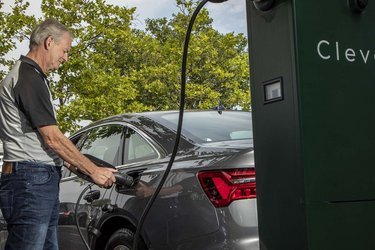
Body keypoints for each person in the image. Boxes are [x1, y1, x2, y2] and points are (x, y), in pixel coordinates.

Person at [0, 18, 117, 250]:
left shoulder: (33, 77)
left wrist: (77, 164)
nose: (66, 57)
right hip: (29, 180)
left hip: (36, 178)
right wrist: (93, 171)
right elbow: (52, 138)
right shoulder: (27, 77)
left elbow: (40, 137)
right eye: (65, 50)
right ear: (48, 42)